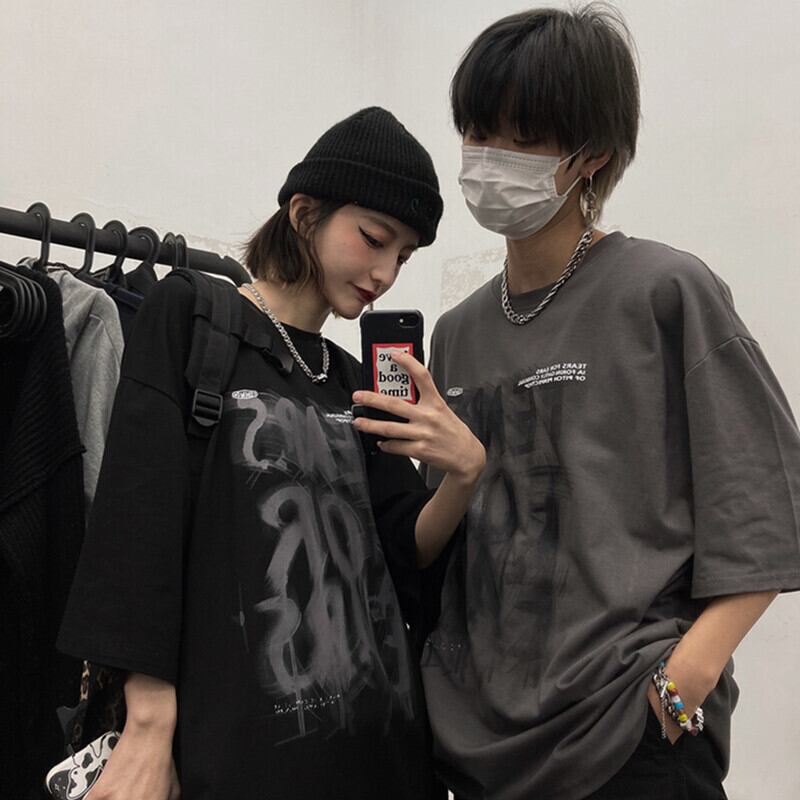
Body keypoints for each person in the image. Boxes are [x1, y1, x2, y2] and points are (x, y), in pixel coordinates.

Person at [420, 6, 800, 800]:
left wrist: (679, 687)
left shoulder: (665, 292)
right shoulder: (456, 335)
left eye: (523, 138)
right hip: (478, 752)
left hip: (629, 737)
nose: (490, 159)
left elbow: (765, 506)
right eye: (478, 133)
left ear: (591, 154)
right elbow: (442, 545)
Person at [57, 107, 484, 800]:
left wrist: (463, 475)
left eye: (404, 257)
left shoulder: (353, 380)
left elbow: (406, 553)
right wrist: (148, 726)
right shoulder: (191, 316)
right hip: (242, 758)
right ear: (305, 213)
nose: (385, 273)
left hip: (382, 759)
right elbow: (139, 525)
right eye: (374, 238)